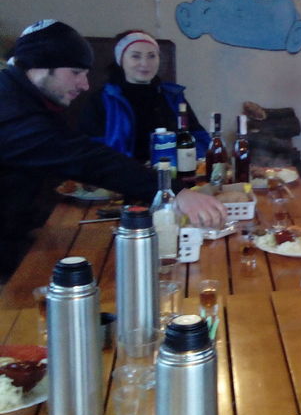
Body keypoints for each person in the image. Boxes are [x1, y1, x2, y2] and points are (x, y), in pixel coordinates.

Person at [0, 20, 226, 279]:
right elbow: (87, 158)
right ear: (39, 66)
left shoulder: (21, 98)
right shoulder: (11, 111)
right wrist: (176, 192)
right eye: (76, 72)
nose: (84, 84)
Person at [78, 29, 210, 161]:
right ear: (120, 60)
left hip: (173, 170)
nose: (145, 63)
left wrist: (190, 159)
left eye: (152, 56)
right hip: (123, 171)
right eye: (136, 56)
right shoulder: (102, 100)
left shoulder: (173, 97)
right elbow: (92, 151)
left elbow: (199, 137)